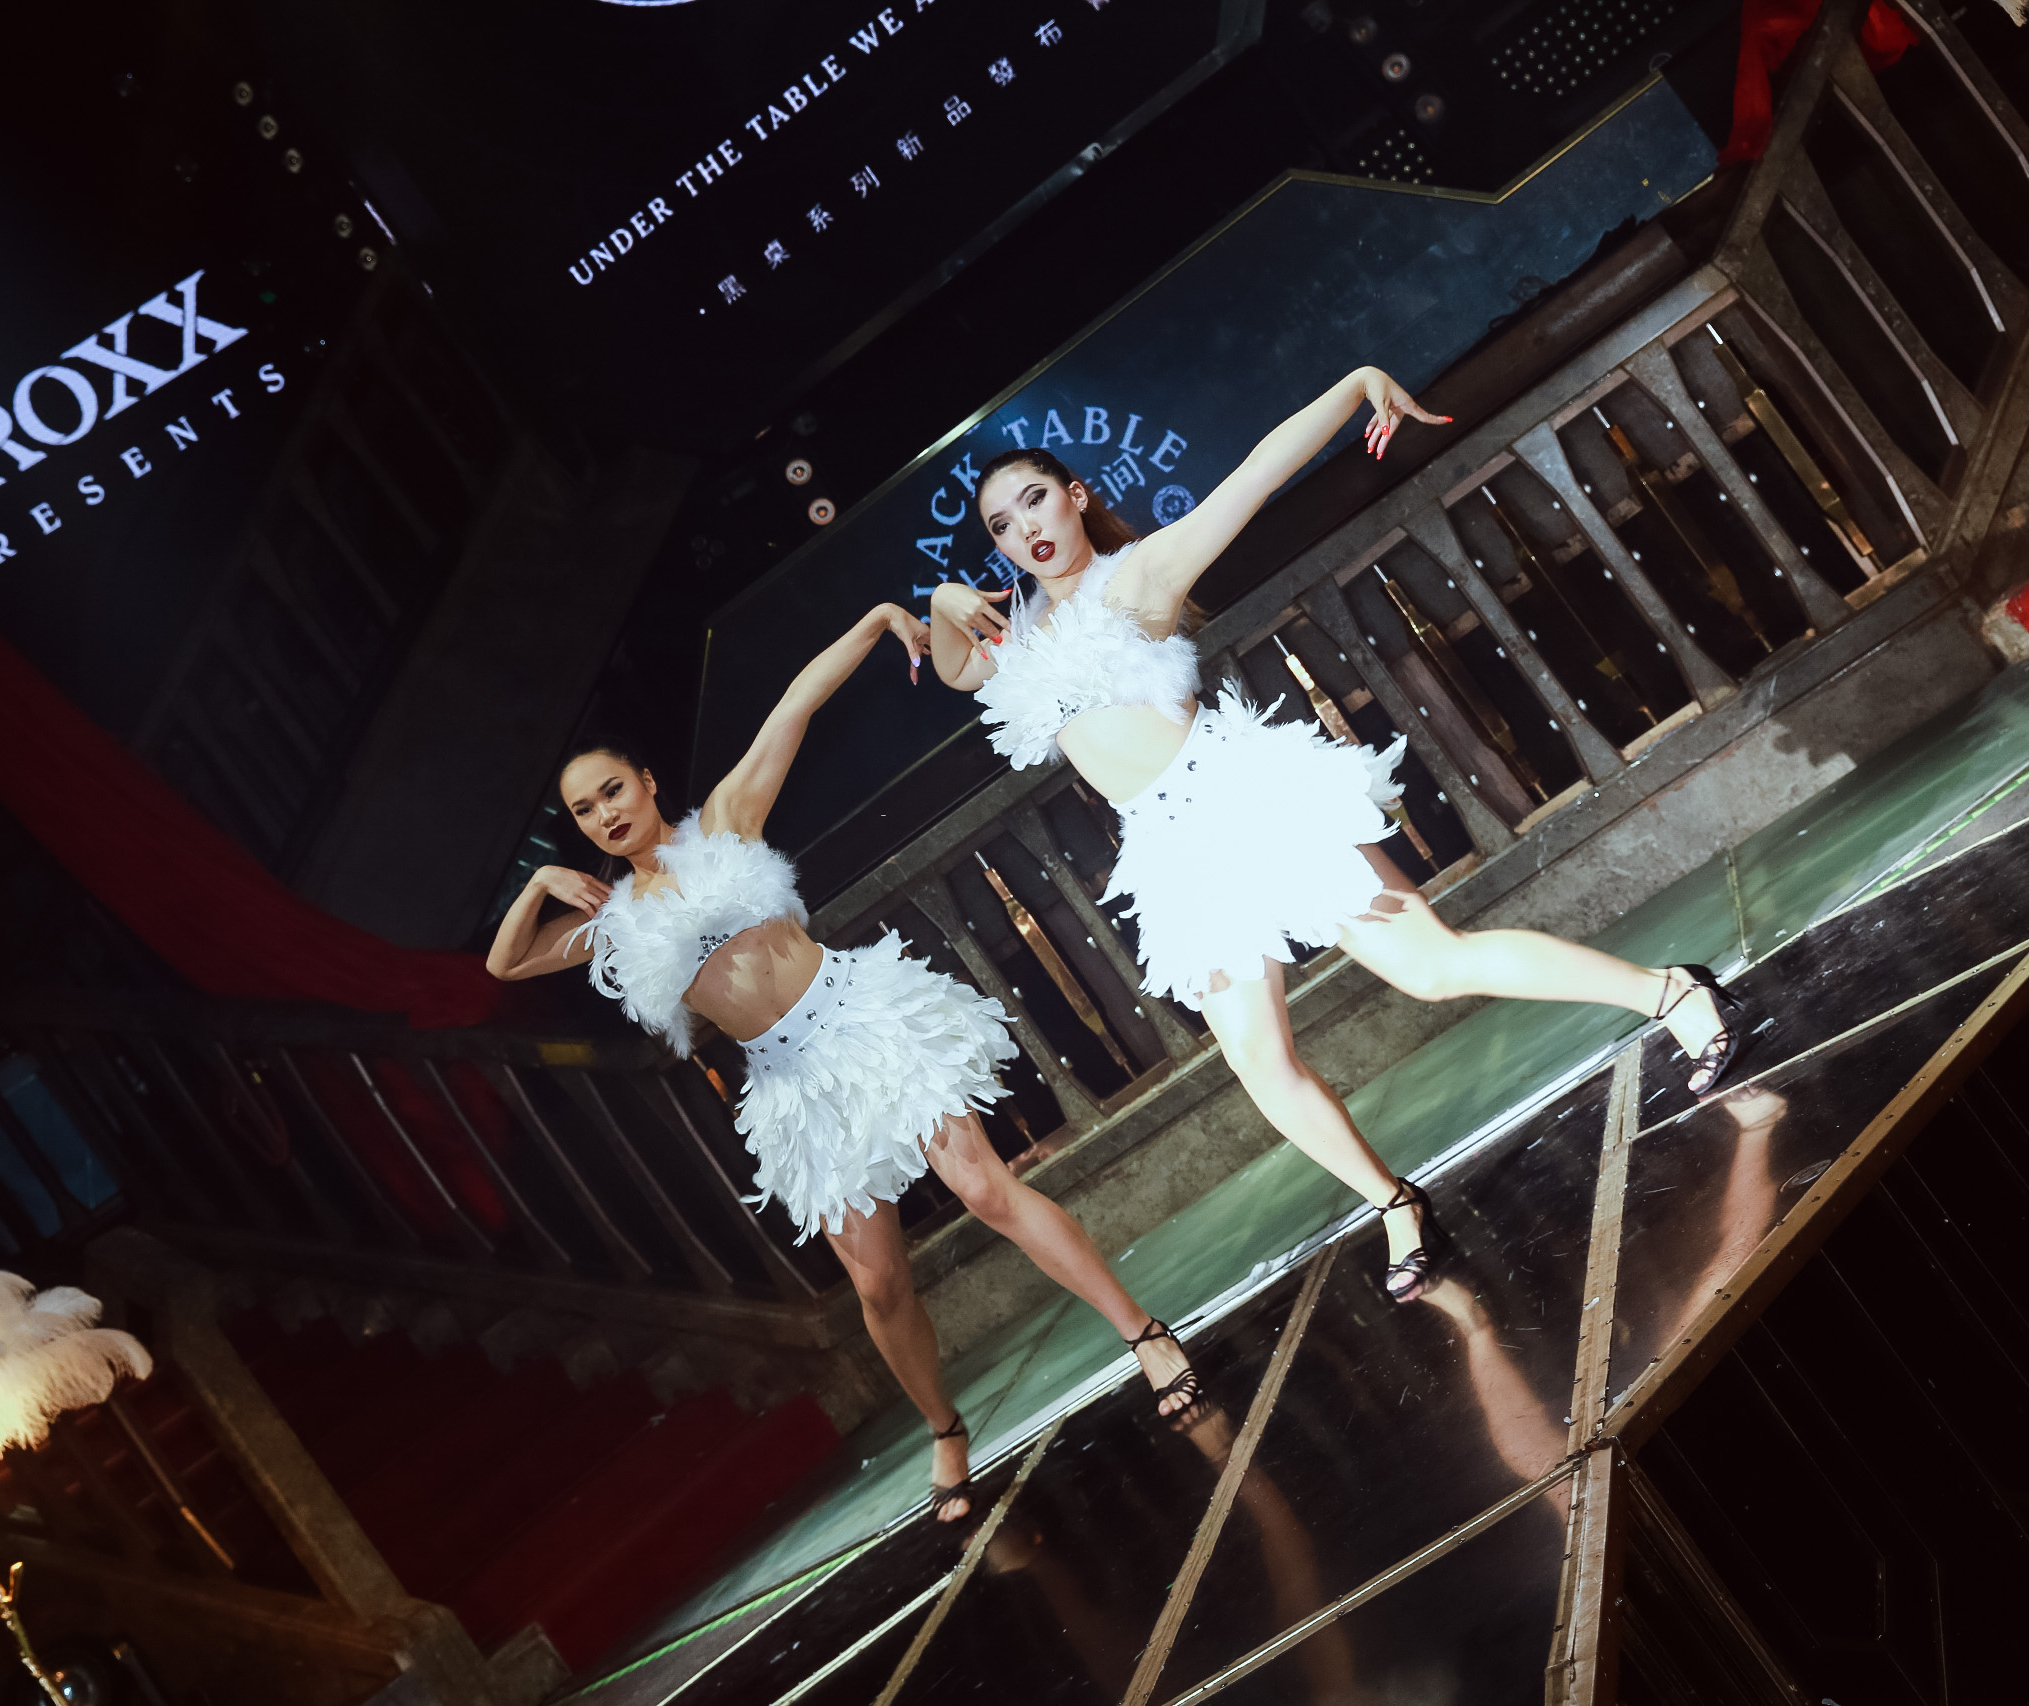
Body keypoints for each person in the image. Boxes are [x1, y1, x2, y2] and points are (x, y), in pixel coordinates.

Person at [925, 367, 1754, 1302]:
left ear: (1076, 497)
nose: (1025, 529)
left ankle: (1672, 992)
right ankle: (1395, 1203)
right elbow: (955, 670)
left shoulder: (1141, 574)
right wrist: (942, 603)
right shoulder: (1023, 631)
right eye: (1002, 525)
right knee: (1259, 1062)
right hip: (1171, 851)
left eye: (1036, 500)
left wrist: (1357, 385)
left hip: (1242, 799)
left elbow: (1256, 471)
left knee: (1431, 967)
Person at [487, 602, 1200, 1522]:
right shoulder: (610, 920)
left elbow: (797, 702)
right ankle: (945, 1428)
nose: (604, 816)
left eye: (612, 791)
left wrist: (876, 622)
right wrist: (541, 884)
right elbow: (507, 964)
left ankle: (1144, 1334)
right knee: (877, 1283)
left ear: (647, 782)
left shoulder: (726, 821)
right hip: (790, 1087)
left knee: (985, 1190)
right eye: (585, 811)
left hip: (862, 1018)